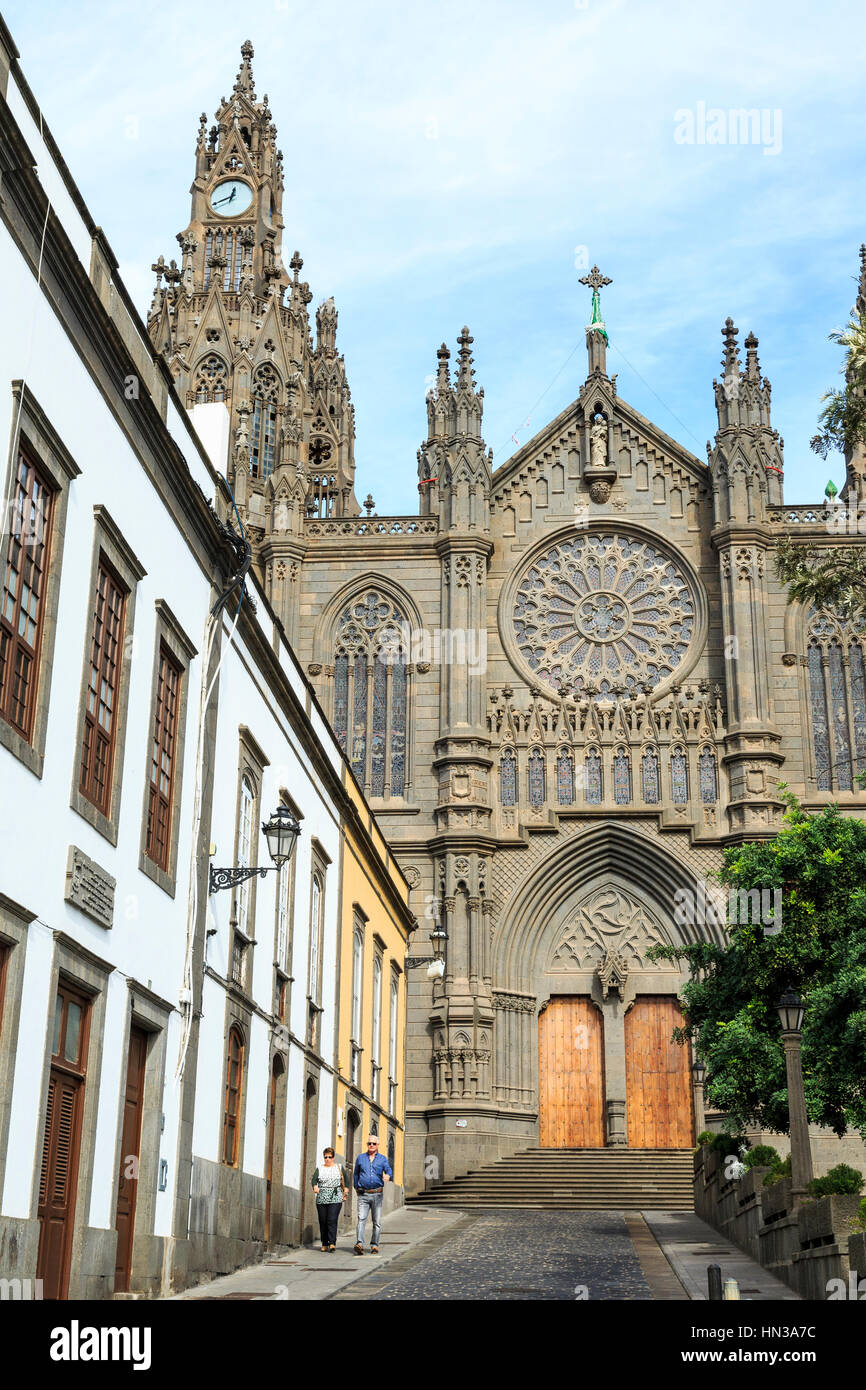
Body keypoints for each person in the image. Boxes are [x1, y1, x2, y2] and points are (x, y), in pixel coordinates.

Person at [352, 1134, 392, 1254]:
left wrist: (388, 1175)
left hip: (377, 1194)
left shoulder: (382, 1159)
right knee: (361, 1219)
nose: (371, 1145)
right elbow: (356, 1174)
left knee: (377, 1222)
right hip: (363, 1194)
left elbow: (388, 1170)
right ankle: (359, 1244)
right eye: (369, 1143)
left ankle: (374, 1245)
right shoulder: (360, 1158)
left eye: (374, 1143)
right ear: (367, 1144)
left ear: (378, 1145)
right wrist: (356, 1187)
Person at [311, 1146, 348, 1251]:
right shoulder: (320, 1169)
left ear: (333, 1157)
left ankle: (332, 1243)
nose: (327, 1159)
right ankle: (324, 1243)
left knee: (331, 1219)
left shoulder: (339, 1167)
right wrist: (315, 1186)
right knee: (323, 1221)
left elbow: (346, 1180)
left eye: (329, 1157)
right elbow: (314, 1180)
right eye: (325, 1157)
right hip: (321, 1198)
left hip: (335, 1197)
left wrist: (346, 1189)